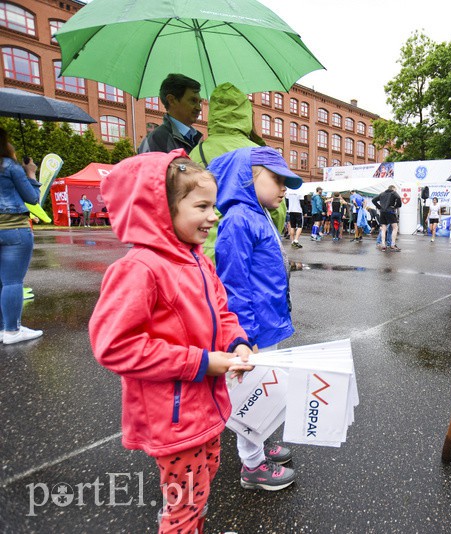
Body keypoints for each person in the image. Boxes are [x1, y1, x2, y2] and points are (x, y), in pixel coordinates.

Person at [88, 152, 254, 533]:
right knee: (185, 505)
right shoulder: (139, 269)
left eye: (214, 205)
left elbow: (223, 313)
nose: (215, 215)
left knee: (203, 482)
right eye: (202, 206)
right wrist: (200, 363)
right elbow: (114, 346)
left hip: (205, 407)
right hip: (175, 416)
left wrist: (237, 343)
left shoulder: (198, 260)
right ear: (160, 208)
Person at [208, 146, 300, 492]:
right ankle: (252, 465)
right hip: (254, 329)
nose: (283, 188)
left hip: (267, 321)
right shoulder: (238, 219)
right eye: (276, 179)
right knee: (252, 394)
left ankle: (262, 441)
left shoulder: (258, 213)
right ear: (248, 176)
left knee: (268, 388)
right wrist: (244, 336)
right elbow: (234, 283)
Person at [188, 82, 287, 261]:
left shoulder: (197, 151)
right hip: (251, 248)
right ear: (246, 114)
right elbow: (277, 210)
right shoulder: (258, 152)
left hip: (206, 247)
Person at [0, 128, 42, 344]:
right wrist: (31, 172)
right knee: (12, 281)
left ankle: (2, 328)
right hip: (14, 228)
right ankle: (12, 330)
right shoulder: (10, 167)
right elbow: (32, 198)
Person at [138, 74, 203, 154]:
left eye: (199, 102)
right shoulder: (157, 140)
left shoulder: (195, 138)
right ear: (172, 100)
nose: (199, 108)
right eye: (193, 101)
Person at [374, 184, 402, 252]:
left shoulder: (382, 194)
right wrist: (396, 206)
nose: (396, 191)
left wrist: (379, 207)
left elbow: (373, 200)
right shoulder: (393, 193)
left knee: (383, 229)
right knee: (395, 228)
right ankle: (392, 244)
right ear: (393, 189)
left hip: (382, 212)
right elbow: (399, 198)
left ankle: (383, 244)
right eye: (395, 190)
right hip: (390, 212)